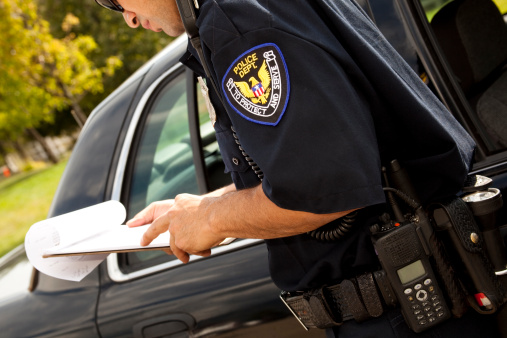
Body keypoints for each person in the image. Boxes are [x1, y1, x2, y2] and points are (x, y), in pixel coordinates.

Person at [94, 0, 500, 336]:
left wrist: (213, 219)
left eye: (116, 0)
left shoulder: (236, 22)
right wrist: (199, 208)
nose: (126, 16)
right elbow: (331, 156)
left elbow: (324, 190)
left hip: (401, 309)